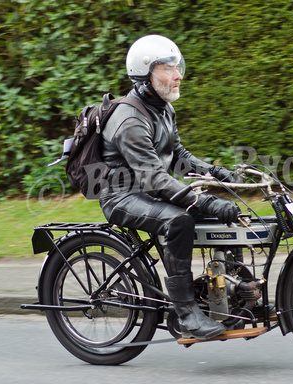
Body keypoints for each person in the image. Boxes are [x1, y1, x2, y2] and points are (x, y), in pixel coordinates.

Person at [99, 35, 239, 340]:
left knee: (225, 220)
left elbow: (179, 157)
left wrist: (218, 174)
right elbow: (153, 177)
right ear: (145, 75)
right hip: (122, 195)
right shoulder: (129, 118)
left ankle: (231, 294)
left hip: (149, 191)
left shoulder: (163, 108)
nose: (178, 75)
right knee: (179, 221)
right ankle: (187, 313)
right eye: (168, 69)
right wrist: (205, 202)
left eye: (178, 67)